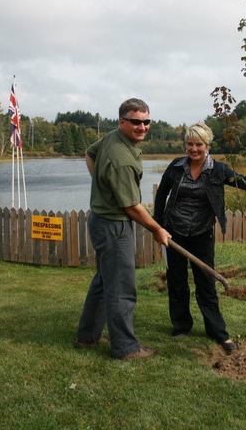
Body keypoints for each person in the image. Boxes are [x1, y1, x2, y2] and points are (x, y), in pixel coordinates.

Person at [154, 122, 246, 354]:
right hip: (175, 233)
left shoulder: (218, 170)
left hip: (202, 233)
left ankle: (217, 331)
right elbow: (162, 194)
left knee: (206, 283)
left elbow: (241, 182)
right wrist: (158, 226)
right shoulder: (175, 167)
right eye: (190, 144)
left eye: (199, 144)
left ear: (207, 146)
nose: (194, 149)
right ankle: (181, 325)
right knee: (177, 281)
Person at [75, 98, 171, 360]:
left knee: (104, 281)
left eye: (146, 121)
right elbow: (130, 206)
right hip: (114, 226)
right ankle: (125, 348)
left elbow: (89, 154)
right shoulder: (121, 160)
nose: (142, 127)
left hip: (101, 220)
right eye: (136, 122)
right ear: (122, 122)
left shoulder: (113, 138)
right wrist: (156, 229)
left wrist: (102, 184)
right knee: (121, 288)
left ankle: (87, 336)